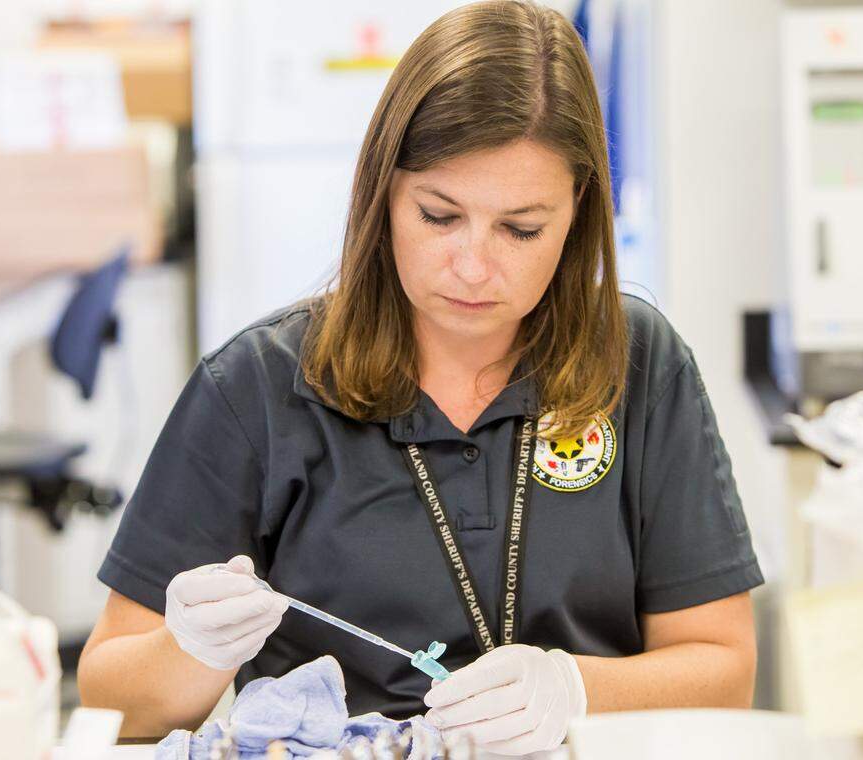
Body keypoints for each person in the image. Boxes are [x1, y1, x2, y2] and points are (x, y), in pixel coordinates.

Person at [78, 1, 763, 752]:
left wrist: (574, 690)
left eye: (521, 228)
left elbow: (724, 669)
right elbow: (114, 704)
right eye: (439, 216)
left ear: (578, 216)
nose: (473, 266)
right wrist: (193, 651)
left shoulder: (637, 364)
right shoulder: (259, 389)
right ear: (383, 196)